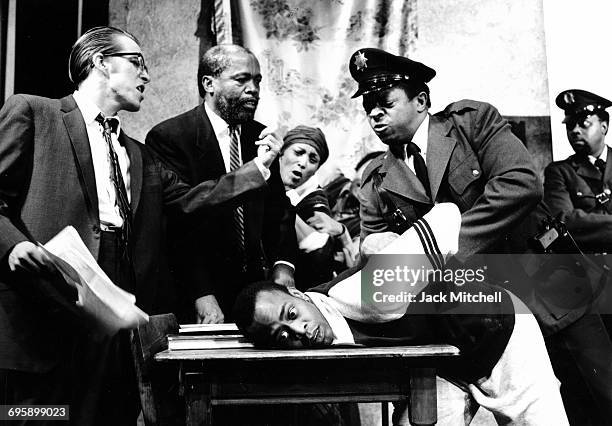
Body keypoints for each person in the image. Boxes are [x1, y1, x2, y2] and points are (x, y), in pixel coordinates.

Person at [0, 27, 272, 425]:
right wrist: (12, 246)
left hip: (118, 315)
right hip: (44, 309)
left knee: (108, 415)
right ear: (100, 63)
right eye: (137, 62)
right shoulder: (33, 113)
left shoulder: (138, 153)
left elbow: (189, 201)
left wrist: (256, 171)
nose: (147, 76)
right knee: (39, 417)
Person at [233, 203, 569, 425]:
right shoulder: (320, 327)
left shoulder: (365, 295)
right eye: (283, 336)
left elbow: (446, 217)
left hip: (495, 328)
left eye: (292, 314)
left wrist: (409, 255)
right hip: (443, 360)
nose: (300, 332)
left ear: (296, 293)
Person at [146, 44, 296, 324]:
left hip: (256, 291)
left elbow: (279, 211)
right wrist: (200, 291)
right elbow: (176, 223)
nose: (253, 89)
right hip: (199, 293)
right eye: (242, 80)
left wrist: (283, 264)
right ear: (209, 83)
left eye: (257, 81)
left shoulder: (260, 136)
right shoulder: (170, 137)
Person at [542, 89, 612, 424]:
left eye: (583, 123)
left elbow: (583, 222)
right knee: (586, 380)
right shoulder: (559, 173)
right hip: (588, 288)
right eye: (570, 125)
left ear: (605, 125)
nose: (575, 131)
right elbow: (566, 221)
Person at [279, 125, 356, 288]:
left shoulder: (314, 198)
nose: (303, 163)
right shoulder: (258, 172)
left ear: (315, 171)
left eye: (313, 160)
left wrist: (283, 198)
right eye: (298, 152)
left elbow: (318, 250)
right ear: (281, 152)